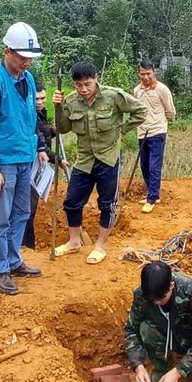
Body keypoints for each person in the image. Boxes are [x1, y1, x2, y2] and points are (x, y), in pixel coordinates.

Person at [0, 22, 49, 296]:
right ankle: (0, 269)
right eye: (22, 57)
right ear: (6, 50)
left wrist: (39, 146)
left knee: (22, 212)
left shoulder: (28, 79)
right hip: (3, 163)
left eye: (30, 58)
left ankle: (13, 259)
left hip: (25, 158)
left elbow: (32, 118)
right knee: (0, 218)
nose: (26, 62)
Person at [52, 60, 146, 264]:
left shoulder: (113, 96)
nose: (83, 89)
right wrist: (58, 107)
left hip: (108, 159)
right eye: (78, 85)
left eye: (87, 84)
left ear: (96, 79)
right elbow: (63, 128)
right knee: (71, 202)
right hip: (84, 159)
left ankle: (100, 247)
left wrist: (123, 129)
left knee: (107, 204)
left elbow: (141, 110)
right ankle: (74, 242)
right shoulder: (71, 100)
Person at [21, 84, 66, 250]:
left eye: (42, 98)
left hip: (39, 164)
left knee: (31, 206)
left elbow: (43, 134)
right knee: (27, 208)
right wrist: (58, 159)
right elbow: (38, 143)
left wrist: (53, 130)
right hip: (30, 165)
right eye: (36, 99)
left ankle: (26, 243)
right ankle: (26, 245)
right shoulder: (29, 115)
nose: (39, 102)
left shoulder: (40, 113)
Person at [134, 60, 177, 213]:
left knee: (154, 166)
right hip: (142, 132)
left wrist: (159, 122)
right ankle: (152, 194)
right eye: (142, 74)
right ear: (139, 74)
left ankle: (152, 198)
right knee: (144, 165)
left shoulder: (162, 89)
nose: (145, 77)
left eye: (148, 73)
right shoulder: (137, 90)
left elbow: (170, 111)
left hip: (157, 132)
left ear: (154, 72)